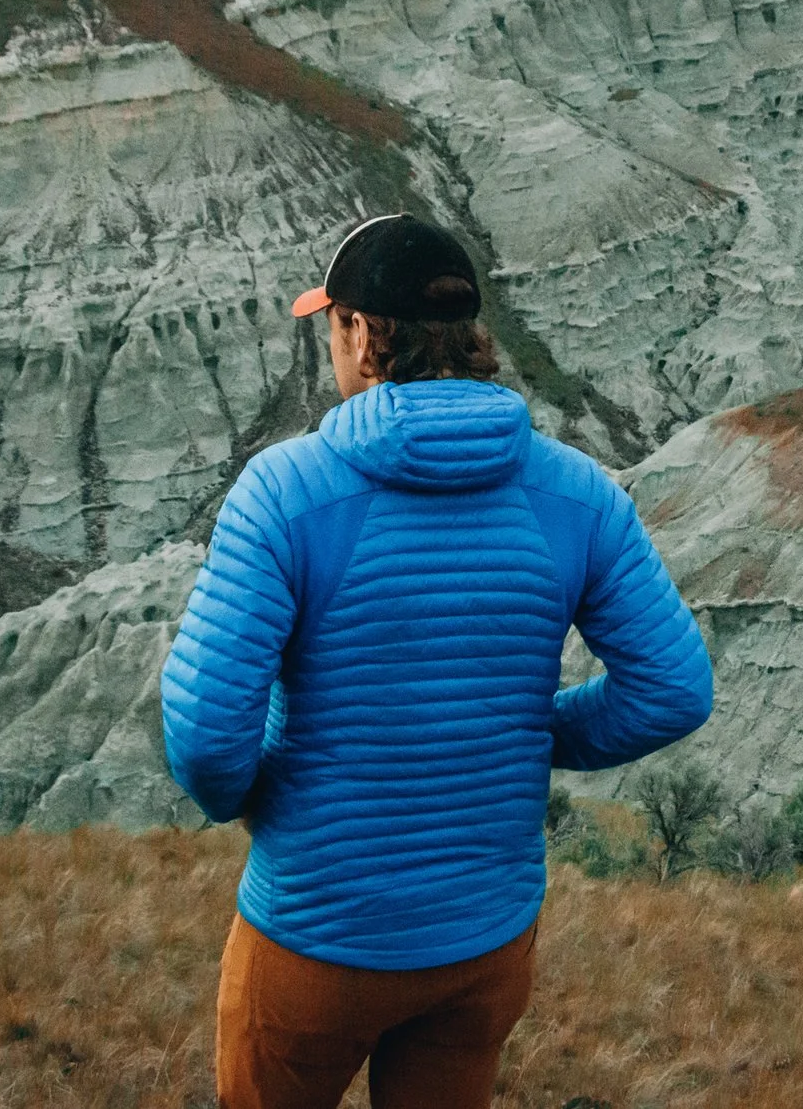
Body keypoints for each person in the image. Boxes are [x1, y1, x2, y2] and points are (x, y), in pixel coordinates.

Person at [161, 213, 713, 1109]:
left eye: (330, 322)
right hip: (483, 946)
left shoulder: (285, 492)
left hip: (317, 934)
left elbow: (204, 739)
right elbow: (674, 689)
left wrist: (258, 797)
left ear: (358, 332)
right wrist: (530, 735)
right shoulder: (579, 494)